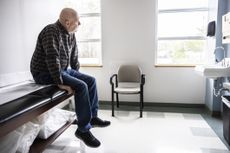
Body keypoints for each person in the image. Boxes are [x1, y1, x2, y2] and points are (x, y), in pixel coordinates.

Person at [30, 8, 110, 148]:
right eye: (77, 21)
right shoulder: (51, 31)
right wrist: (60, 83)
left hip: (64, 69)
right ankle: (82, 130)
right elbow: (52, 58)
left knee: (90, 81)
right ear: (67, 22)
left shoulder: (70, 33)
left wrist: (77, 75)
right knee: (81, 86)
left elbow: (73, 57)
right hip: (44, 72)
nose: (80, 24)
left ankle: (92, 117)